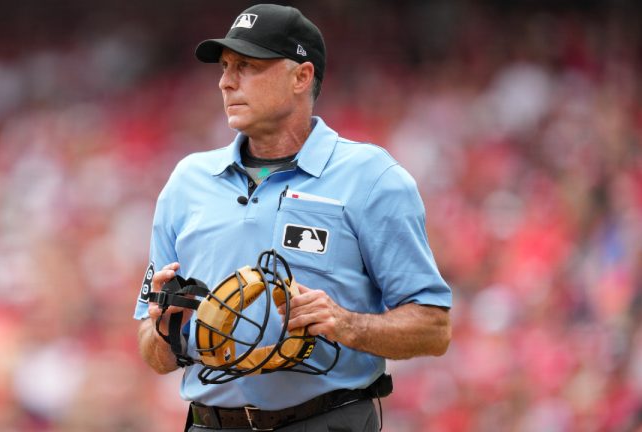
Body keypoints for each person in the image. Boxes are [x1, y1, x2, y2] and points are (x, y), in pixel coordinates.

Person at [134, 4, 452, 431]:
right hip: (208, 423)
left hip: (326, 420)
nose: (226, 81)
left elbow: (434, 327)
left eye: (247, 65)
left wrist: (346, 325)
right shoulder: (187, 181)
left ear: (301, 77)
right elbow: (153, 354)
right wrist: (164, 328)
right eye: (226, 67)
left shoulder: (371, 177)